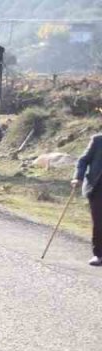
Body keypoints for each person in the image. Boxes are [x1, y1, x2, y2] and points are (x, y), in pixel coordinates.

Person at [71, 110, 102, 266]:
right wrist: (78, 177)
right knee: (99, 222)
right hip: (97, 189)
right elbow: (83, 161)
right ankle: (98, 255)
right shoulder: (97, 141)